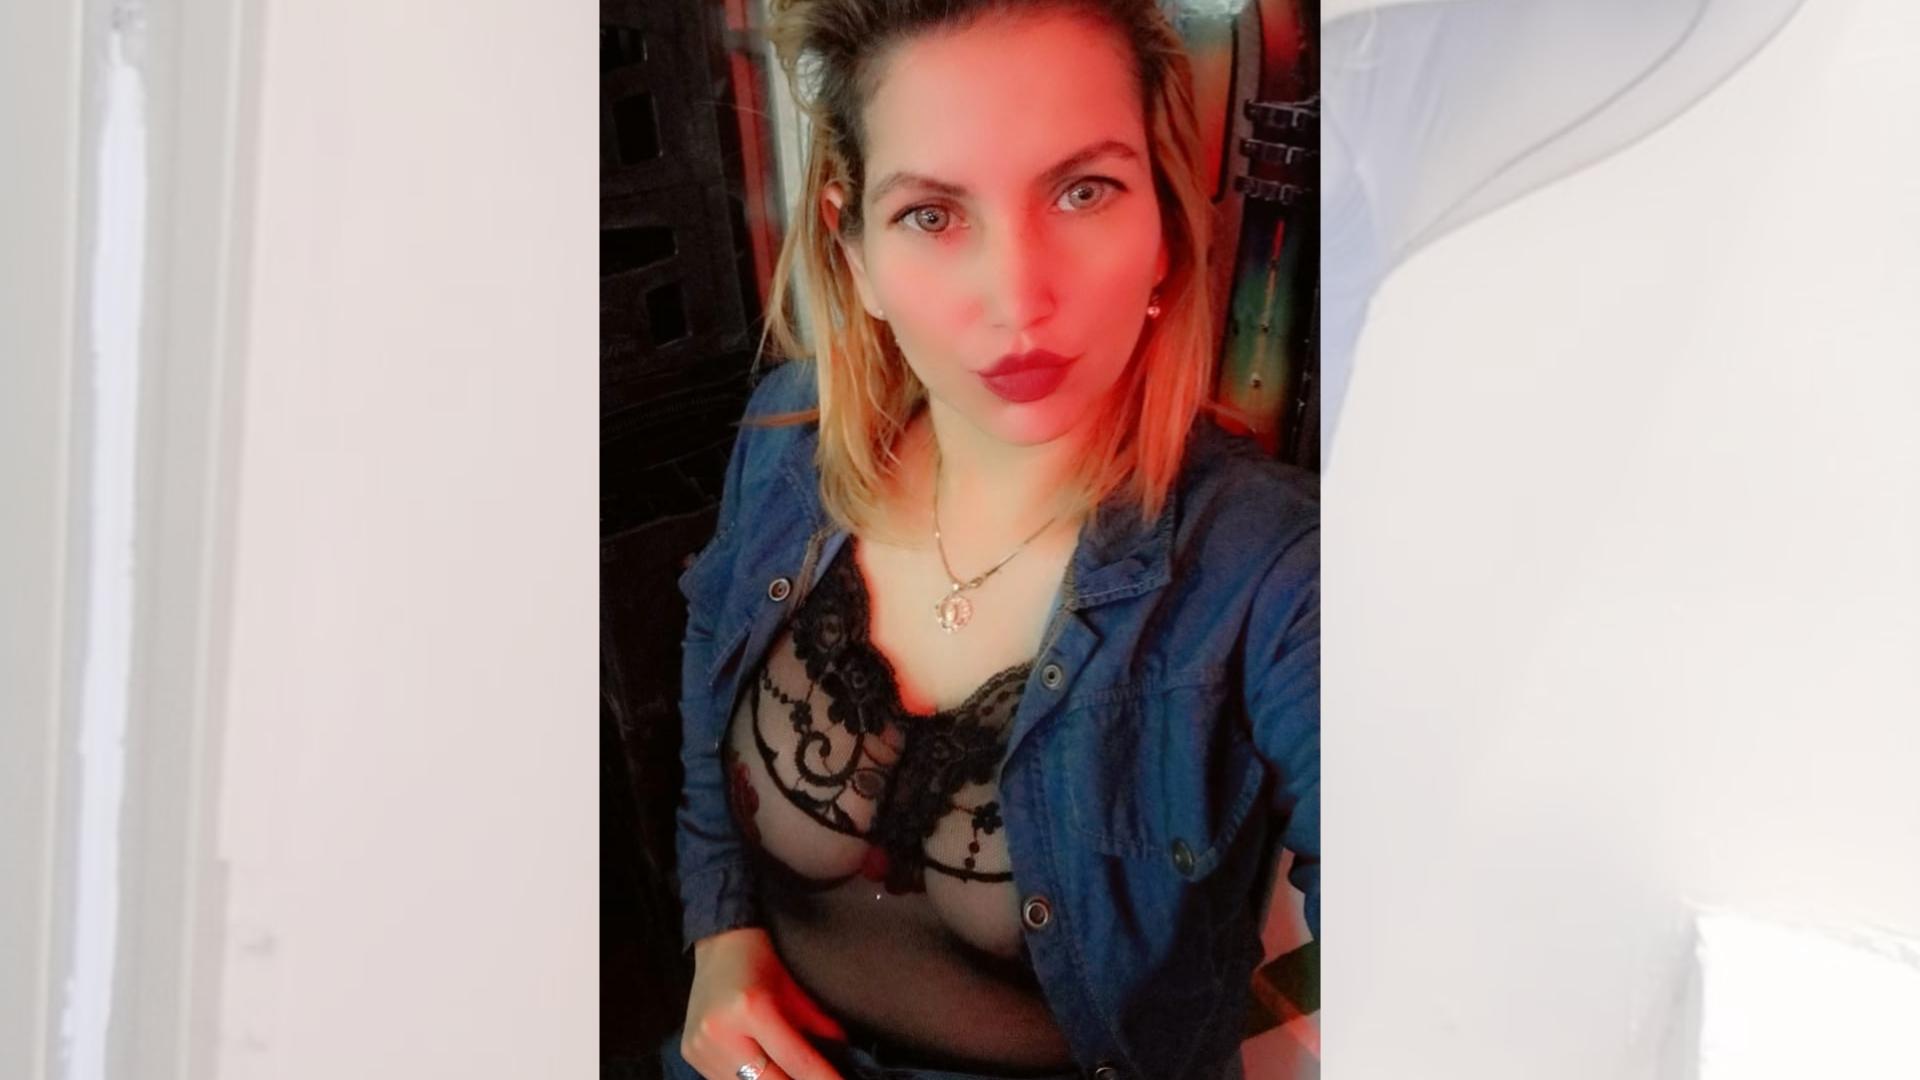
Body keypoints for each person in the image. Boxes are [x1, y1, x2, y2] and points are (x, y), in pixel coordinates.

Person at [662, 1, 1317, 1077]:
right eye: (931, 214)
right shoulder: (787, 444)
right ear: (855, 251)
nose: (1018, 299)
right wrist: (721, 934)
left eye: (1082, 190)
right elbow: (709, 667)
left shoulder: (1277, 577)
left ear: (1164, 221)